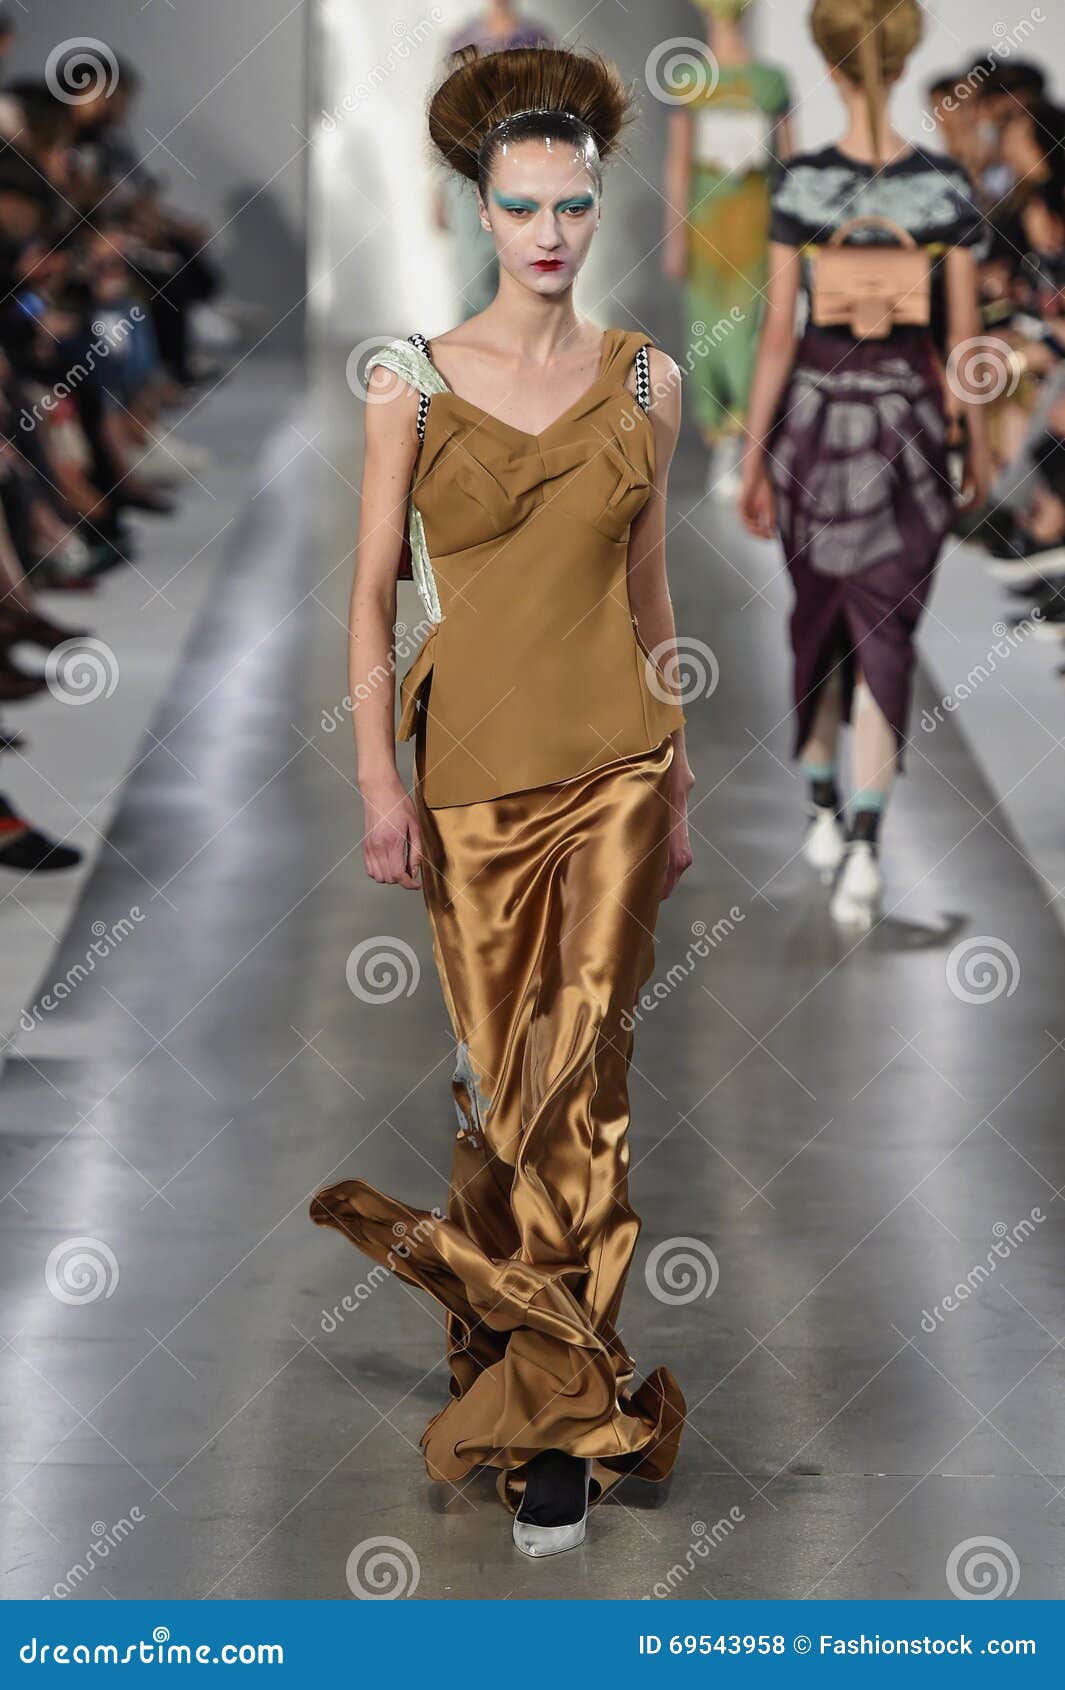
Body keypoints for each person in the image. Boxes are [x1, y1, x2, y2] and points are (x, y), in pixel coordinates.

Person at [310, 43, 695, 1559]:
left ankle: (559, 1422)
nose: (548, 229)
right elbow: (364, 599)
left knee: (581, 1076)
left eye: (573, 204)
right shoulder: (407, 378)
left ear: (599, 211)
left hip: (614, 759)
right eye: (521, 204)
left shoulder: (647, 378)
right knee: (497, 1091)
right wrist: (373, 780)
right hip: (467, 774)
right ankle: (512, 1334)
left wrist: (681, 779)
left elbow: (651, 586)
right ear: (480, 208)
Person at [739, 0, 991, 926]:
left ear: (831, 67)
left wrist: (757, 452)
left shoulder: (799, 185)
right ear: (902, 59)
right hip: (910, 424)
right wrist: (971, 438)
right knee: (884, 624)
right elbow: (962, 340)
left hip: (810, 415)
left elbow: (777, 334)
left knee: (821, 618)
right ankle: (864, 842)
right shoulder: (944, 186)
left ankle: (824, 806)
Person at [662, 0, 792, 498]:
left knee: (753, 331)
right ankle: (722, 441)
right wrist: (675, 236)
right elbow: (677, 163)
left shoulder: (770, 81)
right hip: (708, 229)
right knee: (710, 335)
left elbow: (790, 157)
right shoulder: (690, 81)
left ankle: (748, 443)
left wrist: (794, 231)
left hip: (758, 227)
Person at [432, 3, 554, 319]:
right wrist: (436, 191)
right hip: (467, 171)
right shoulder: (463, 40)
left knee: (519, 270)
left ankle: (517, 360)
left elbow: (551, 113)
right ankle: (469, 360)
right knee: (473, 277)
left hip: (521, 172)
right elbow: (444, 117)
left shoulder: (535, 38)